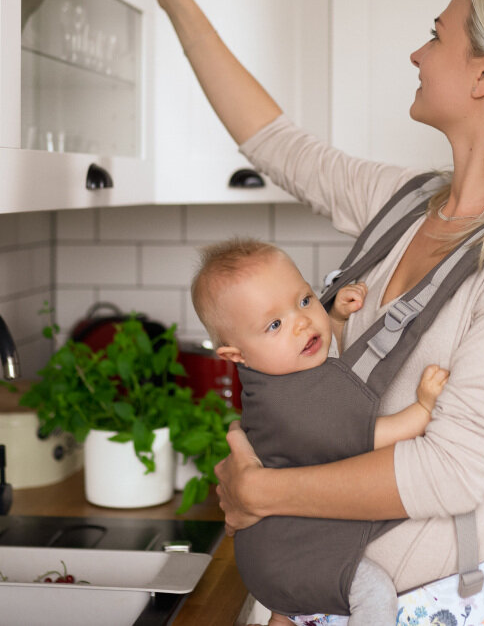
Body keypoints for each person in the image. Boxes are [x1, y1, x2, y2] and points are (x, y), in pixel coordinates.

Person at [124, 0, 484, 624]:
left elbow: (447, 472)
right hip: (317, 596)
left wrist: (263, 493)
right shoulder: (406, 203)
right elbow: (274, 141)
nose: (417, 52)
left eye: (437, 35)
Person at [192, 237, 450, 625]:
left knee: (289, 609)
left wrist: (336, 321)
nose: (301, 323)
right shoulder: (296, 405)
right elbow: (370, 436)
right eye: (275, 324)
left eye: (304, 300)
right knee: (373, 592)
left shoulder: (270, 381)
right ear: (236, 356)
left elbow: (324, 361)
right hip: (291, 553)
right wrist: (423, 409)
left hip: (272, 549)